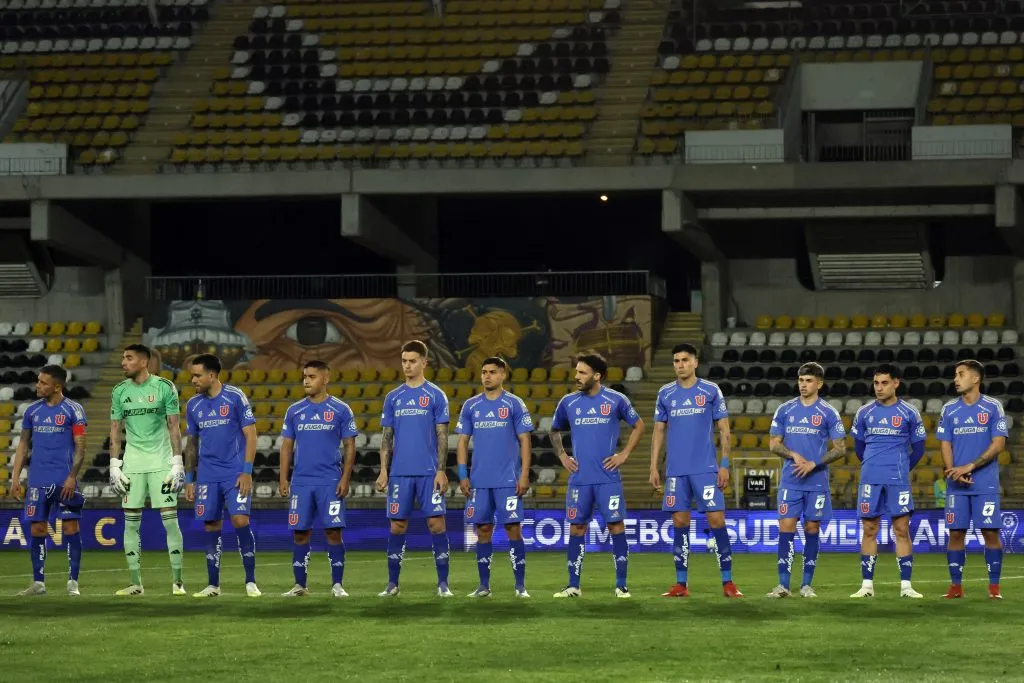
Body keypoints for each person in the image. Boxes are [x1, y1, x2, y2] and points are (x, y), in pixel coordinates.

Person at [650, 343, 742, 599]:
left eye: (684, 360)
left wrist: (724, 465)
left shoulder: (710, 390)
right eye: (676, 361)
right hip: (676, 471)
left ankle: (728, 582)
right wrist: (653, 466)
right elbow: (658, 430)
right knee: (679, 522)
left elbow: (724, 429)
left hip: (705, 469)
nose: (680, 365)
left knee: (717, 521)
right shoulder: (665, 393)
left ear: (695, 362)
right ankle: (681, 583)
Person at [552, 353, 644, 598]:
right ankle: (573, 585)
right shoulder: (568, 402)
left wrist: (623, 454)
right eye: (577, 371)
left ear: (597, 376)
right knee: (576, 528)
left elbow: (639, 425)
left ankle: (621, 585)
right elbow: (554, 430)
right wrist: (562, 456)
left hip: (607, 478)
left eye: (582, 372)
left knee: (616, 526)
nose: (576, 376)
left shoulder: (616, 400)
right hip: (579, 479)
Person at [375, 340, 453, 597]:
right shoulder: (393, 397)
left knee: (436, 525)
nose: (407, 366)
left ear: (424, 362)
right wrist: (384, 470)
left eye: (412, 361)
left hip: (429, 473)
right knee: (397, 526)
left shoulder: (435, 395)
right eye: (404, 361)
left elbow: (442, 435)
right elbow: (387, 437)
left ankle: (443, 584)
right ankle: (392, 584)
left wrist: (441, 470)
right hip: (399, 474)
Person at [109, 344, 186, 596]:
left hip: (161, 463)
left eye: (128, 358)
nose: (123, 362)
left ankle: (177, 583)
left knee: (170, 522)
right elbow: (115, 430)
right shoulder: (119, 391)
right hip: (133, 465)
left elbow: (174, 427)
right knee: (130, 524)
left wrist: (177, 463)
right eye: (123, 357)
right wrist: (114, 465)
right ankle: (135, 584)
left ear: (144, 362)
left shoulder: (165, 387)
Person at [183, 354, 261, 598]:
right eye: (192, 376)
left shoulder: (235, 396)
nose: (193, 380)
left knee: (240, 520)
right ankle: (213, 585)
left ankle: (250, 581)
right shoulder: (193, 405)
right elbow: (192, 444)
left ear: (212, 375)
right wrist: (189, 479)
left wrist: (247, 472)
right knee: (211, 524)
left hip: (234, 473)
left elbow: (251, 434)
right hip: (207, 475)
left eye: (197, 375)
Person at [278, 360, 358, 597]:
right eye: (304, 376)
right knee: (300, 532)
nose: (306, 381)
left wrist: (345, 478)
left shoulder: (341, 410)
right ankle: (300, 585)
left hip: (330, 481)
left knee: (333, 532)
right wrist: (284, 478)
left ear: (325, 379)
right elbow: (286, 447)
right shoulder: (294, 411)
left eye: (312, 376)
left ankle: (337, 585)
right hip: (302, 482)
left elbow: (350, 446)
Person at [766, 362, 846, 598]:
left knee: (812, 528)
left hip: (817, 481)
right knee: (786, 527)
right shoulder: (785, 410)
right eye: (801, 380)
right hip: (790, 481)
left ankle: (806, 585)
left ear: (819, 384)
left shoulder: (828, 413)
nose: (803, 385)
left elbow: (840, 448)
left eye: (808, 381)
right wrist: (792, 454)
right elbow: (773, 444)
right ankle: (783, 585)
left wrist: (814, 463)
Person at [456, 356, 533, 598]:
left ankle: (520, 586)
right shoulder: (471, 406)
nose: (486, 376)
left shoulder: (514, 404)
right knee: (483, 530)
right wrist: (462, 474)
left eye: (492, 372)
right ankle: (483, 586)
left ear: (503, 375)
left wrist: (524, 474)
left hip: (508, 481)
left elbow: (525, 440)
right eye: (484, 372)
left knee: (513, 529)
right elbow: (462, 441)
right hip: (479, 481)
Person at [849, 364, 926, 599]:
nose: (879, 388)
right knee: (869, 529)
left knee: (901, 529)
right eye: (876, 383)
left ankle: (906, 586)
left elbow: (919, 448)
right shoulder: (864, 412)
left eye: (884, 383)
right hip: (870, 479)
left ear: (896, 383)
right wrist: (873, 466)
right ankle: (867, 585)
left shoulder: (909, 412)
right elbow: (859, 447)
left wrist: (900, 468)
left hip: (898, 480)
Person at [10, 365, 87, 596]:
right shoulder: (32, 411)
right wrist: (15, 477)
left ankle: (73, 582)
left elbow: (81, 447)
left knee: (71, 527)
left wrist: (72, 477)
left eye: (43, 382)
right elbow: (23, 444)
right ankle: (38, 583)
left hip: (64, 480)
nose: (37, 385)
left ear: (57, 386)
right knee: (37, 528)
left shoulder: (74, 409)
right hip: (37, 480)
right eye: (38, 381)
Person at [939, 359, 1008, 599]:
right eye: (955, 374)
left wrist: (970, 466)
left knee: (990, 532)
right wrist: (952, 471)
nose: (955, 379)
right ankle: (956, 586)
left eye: (961, 374)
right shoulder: (949, 409)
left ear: (976, 378)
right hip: (956, 485)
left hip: (985, 483)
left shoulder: (992, 407)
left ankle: (994, 588)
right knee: (955, 533)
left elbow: (999, 443)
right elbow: (945, 443)